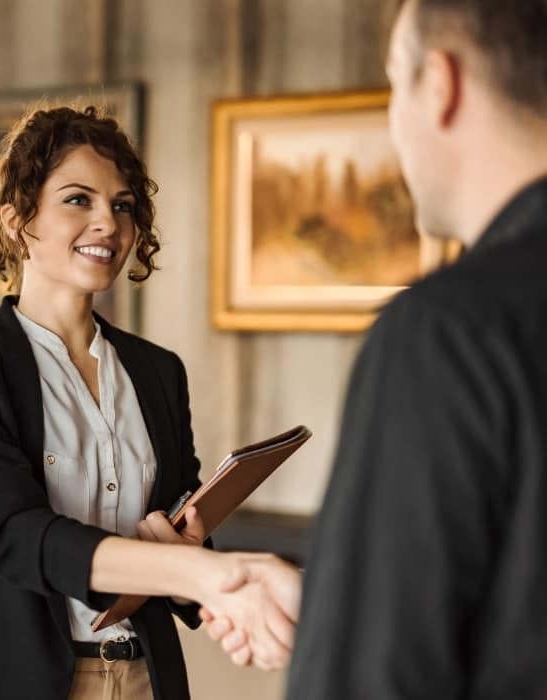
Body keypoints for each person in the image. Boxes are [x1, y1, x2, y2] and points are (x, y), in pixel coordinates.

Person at [207, 0, 547, 695]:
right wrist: (346, 595)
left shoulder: (449, 330)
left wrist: (352, 618)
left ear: (442, 84)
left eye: (395, 83)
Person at [0, 104, 301, 700]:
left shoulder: (157, 371)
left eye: (122, 205)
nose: (109, 224)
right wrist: (213, 575)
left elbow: (182, 525)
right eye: (78, 200)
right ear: (19, 221)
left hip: (146, 676)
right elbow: (19, 538)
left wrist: (194, 559)